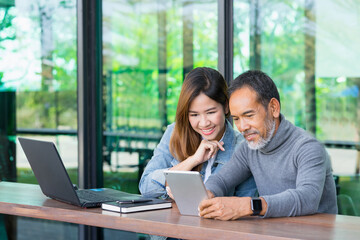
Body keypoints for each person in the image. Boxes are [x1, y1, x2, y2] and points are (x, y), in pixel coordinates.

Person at [199, 70, 338, 220]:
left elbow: (307, 198)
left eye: (249, 115)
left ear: (274, 108)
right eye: (236, 119)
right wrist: (208, 193)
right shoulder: (248, 149)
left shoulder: (307, 147)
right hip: (274, 233)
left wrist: (248, 206)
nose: (242, 127)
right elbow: (222, 179)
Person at [139, 67, 257, 200]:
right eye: (194, 114)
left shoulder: (244, 147)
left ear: (225, 106)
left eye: (211, 112)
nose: (204, 123)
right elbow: (146, 187)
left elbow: (246, 204)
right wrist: (193, 160)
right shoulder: (174, 133)